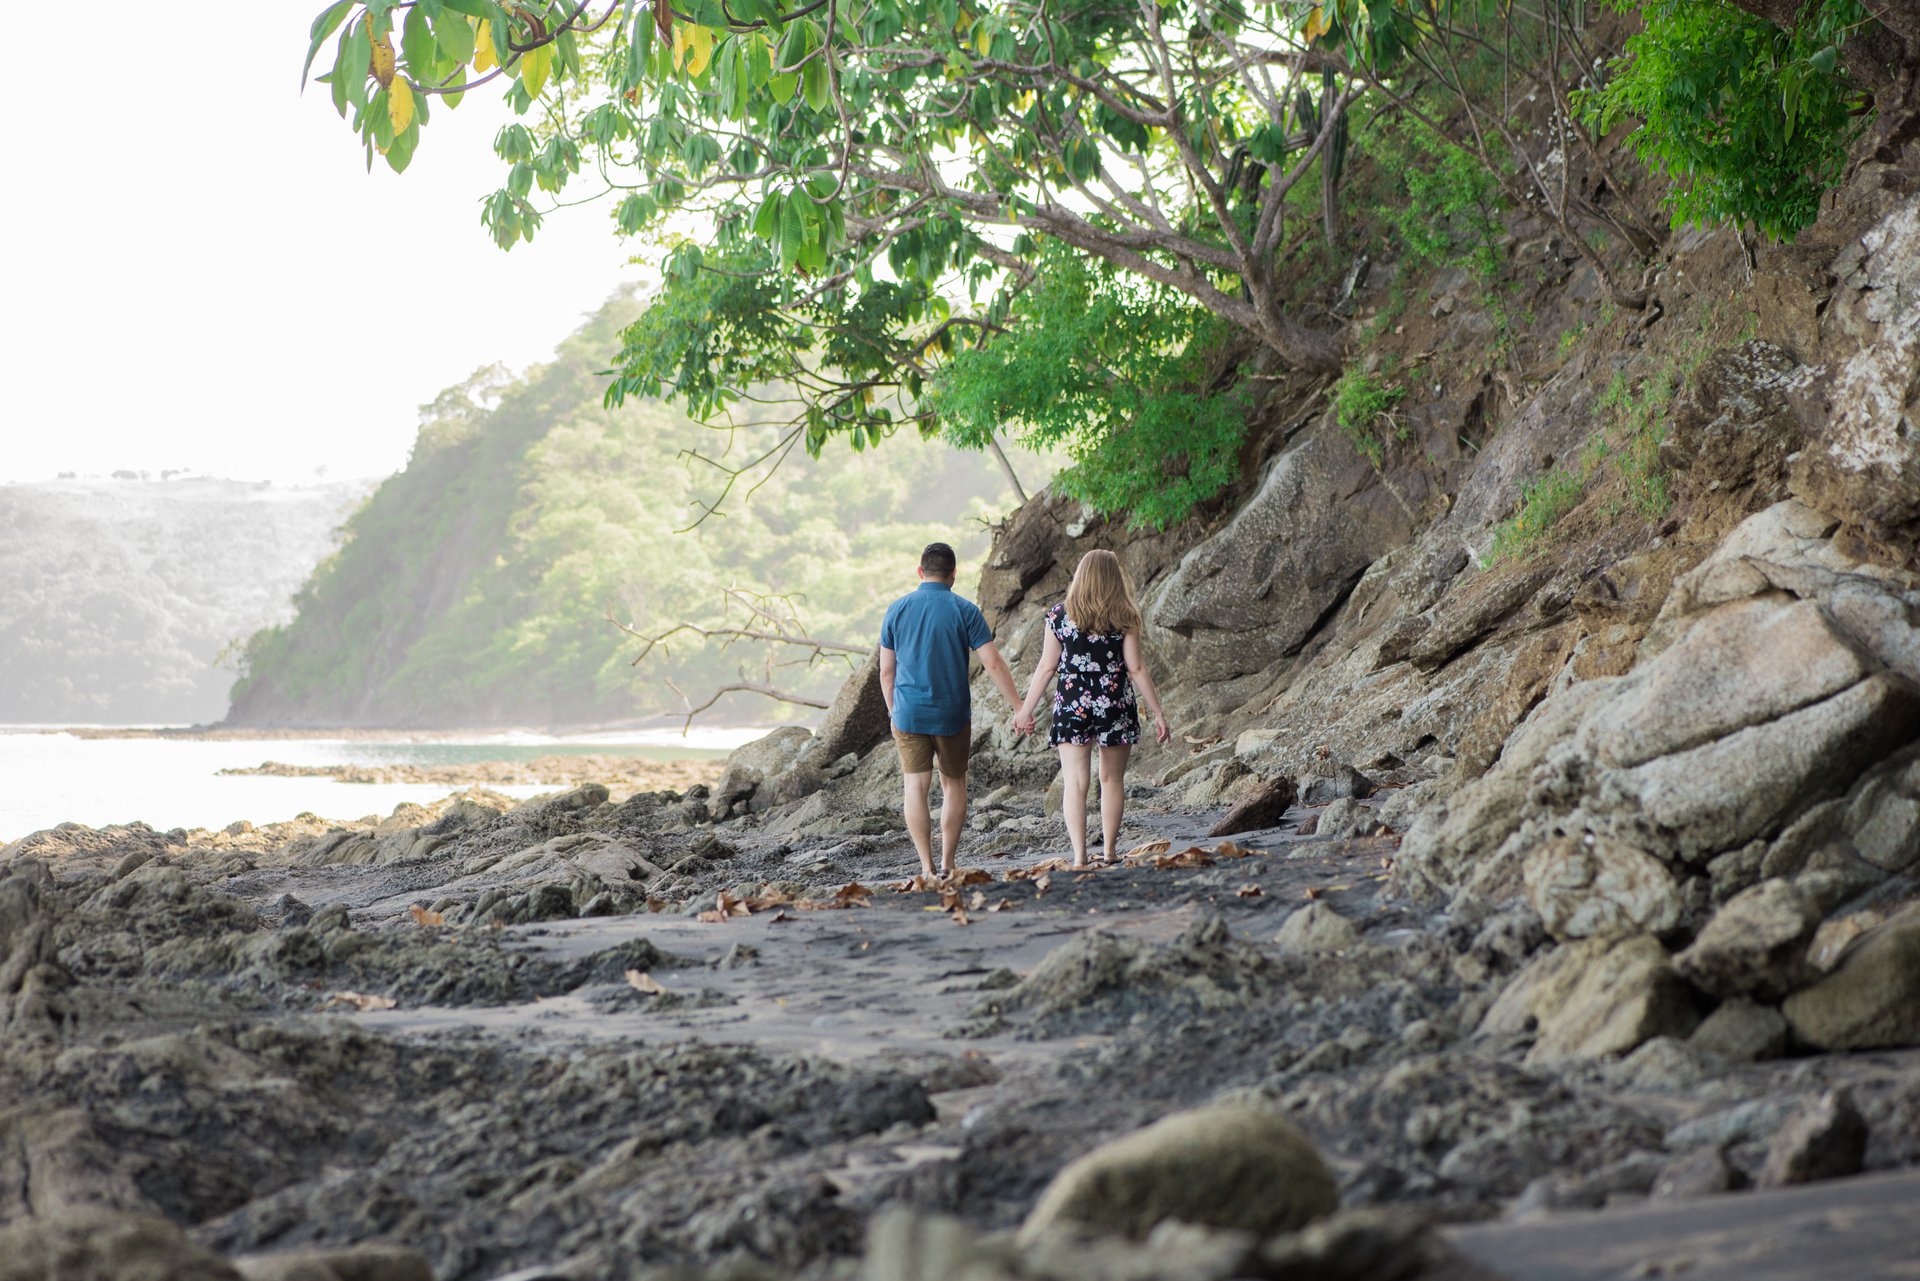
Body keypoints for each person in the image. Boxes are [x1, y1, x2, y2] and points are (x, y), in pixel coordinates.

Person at [1013, 549, 1170, 868]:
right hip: (1114, 702)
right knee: (1112, 780)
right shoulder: (1126, 615)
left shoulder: (1059, 615)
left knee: (1075, 782)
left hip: (1073, 702)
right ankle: (1110, 851)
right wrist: (1158, 712)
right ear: (1115, 579)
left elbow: (1046, 667)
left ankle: (1080, 855)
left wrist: (1025, 710)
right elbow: (1136, 668)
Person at [880, 542, 1022, 880]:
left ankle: (926, 868)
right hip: (952, 715)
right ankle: (947, 863)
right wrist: (1018, 706)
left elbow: (887, 671)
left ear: (920, 572)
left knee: (914, 787)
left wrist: (893, 712)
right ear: (954, 575)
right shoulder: (965, 610)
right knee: (953, 784)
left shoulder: (896, 610)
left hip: (908, 713)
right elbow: (992, 663)